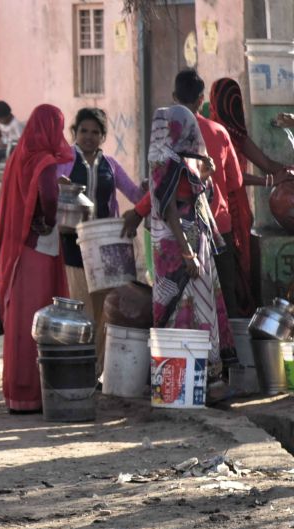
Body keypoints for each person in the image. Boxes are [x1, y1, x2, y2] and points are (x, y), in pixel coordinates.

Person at [122, 70, 244, 316]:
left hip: (184, 234)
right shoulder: (219, 133)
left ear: (174, 97)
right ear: (201, 99)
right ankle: (229, 352)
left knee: (184, 305)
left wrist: (138, 212)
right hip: (218, 227)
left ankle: (186, 353)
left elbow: (164, 186)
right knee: (223, 302)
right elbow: (236, 183)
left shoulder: (171, 133)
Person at [144, 105, 237, 379]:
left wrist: (205, 175)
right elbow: (170, 209)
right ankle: (178, 375)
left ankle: (202, 375)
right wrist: (187, 254)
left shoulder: (185, 158)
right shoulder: (164, 159)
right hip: (177, 246)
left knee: (200, 302)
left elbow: (196, 196)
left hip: (196, 242)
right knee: (180, 302)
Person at [0, 104, 75, 413]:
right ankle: (36, 394)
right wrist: (51, 218)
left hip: (18, 251)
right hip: (40, 248)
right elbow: (49, 198)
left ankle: (17, 392)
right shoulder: (43, 161)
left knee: (19, 322)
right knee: (40, 321)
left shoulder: (18, 157)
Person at [57, 107, 144, 373]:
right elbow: (49, 195)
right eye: (84, 131)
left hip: (106, 247)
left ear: (102, 136)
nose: (89, 137)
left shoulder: (111, 165)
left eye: (95, 132)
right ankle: (78, 369)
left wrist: (149, 193)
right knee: (80, 308)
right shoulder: (64, 162)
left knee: (106, 310)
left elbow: (133, 194)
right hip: (73, 245)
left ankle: (97, 370)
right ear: (75, 132)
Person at [208, 78, 293, 315]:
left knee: (242, 264)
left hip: (240, 211)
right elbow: (231, 177)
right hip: (220, 210)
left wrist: (287, 172)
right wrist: (268, 182)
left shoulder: (237, 134)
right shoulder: (213, 133)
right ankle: (232, 322)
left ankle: (241, 320)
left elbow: (267, 164)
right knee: (228, 268)